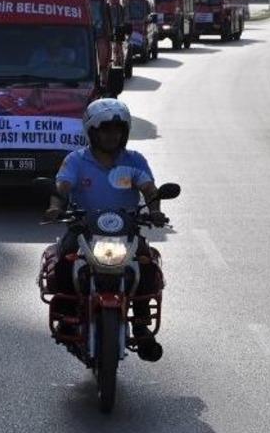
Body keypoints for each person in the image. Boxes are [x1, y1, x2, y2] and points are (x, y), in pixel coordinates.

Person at [43, 98, 168, 361]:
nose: (112, 135)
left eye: (117, 130)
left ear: (124, 132)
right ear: (92, 131)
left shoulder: (134, 161)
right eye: (105, 129)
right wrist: (55, 208)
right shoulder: (75, 160)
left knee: (146, 268)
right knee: (64, 264)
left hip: (127, 232)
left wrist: (155, 211)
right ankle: (67, 319)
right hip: (83, 231)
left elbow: (149, 189)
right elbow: (61, 189)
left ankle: (141, 325)